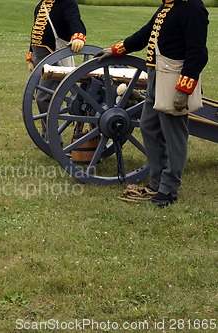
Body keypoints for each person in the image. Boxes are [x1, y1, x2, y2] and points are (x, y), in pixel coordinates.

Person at [96, 0, 209, 207]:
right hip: (156, 76)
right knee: (149, 127)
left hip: (174, 80)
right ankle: (157, 182)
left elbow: (198, 54)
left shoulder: (192, 7)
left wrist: (183, 89)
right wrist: (118, 49)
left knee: (174, 135)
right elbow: (147, 33)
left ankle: (169, 189)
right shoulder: (169, 5)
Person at [26, 0, 87, 139]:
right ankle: (46, 134)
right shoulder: (41, 4)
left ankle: (52, 137)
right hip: (39, 56)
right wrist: (30, 56)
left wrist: (78, 35)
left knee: (43, 99)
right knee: (41, 95)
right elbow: (35, 32)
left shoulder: (67, 2)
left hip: (53, 57)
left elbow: (74, 20)